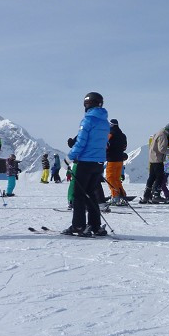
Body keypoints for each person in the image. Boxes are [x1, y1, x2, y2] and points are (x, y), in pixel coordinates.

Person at [63, 92, 110, 236]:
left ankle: (78, 226)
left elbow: (81, 142)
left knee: (79, 195)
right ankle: (95, 226)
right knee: (91, 194)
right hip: (98, 162)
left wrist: (69, 157)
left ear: (87, 104)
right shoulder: (105, 122)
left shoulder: (88, 121)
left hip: (85, 162)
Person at [140, 122, 169, 204]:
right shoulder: (163, 136)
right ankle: (156, 195)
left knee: (152, 177)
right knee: (159, 177)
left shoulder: (158, 133)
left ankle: (147, 196)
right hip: (157, 159)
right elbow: (162, 149)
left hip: (152, 158)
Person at [105, 119, 128, 205]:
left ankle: (115, 196)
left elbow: (106, 145)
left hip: (112, 159)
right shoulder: (123, 135)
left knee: (110, 178)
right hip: (120, 160)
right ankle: (122, 194)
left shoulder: (110, 134)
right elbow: (124, 147)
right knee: (117, 179)